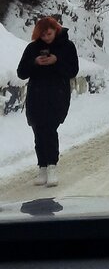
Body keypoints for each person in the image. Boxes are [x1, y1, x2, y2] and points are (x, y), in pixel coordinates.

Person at [16, 16, 79, 188]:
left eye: (49, 33)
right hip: (36, 95)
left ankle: (52, 166)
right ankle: (42, 166)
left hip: (57, 94)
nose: (46, 38)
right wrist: (35, 62)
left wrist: (56, 61)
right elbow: (21, 72)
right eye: (42, 35)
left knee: (50, 129)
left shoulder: (67, 46)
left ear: (55, 30)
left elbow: (73, 70)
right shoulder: (33, 48)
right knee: (38, 129)